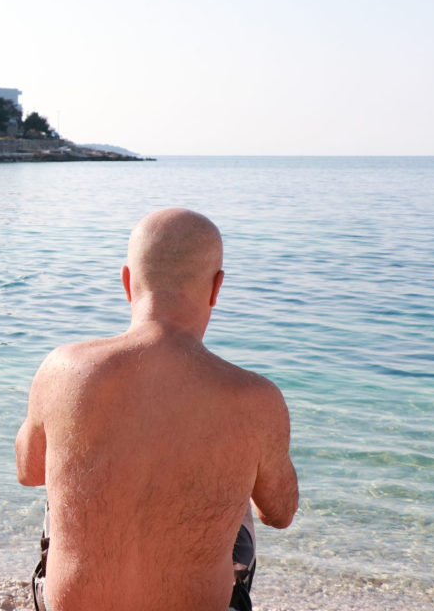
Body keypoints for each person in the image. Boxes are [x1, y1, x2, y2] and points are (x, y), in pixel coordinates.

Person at [15, 209, 298, 611]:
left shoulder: (61, 368)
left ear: (127, 282)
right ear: (217, 288)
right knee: (241, 498)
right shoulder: (256, 398)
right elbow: (280, 513)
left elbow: (29, 472)